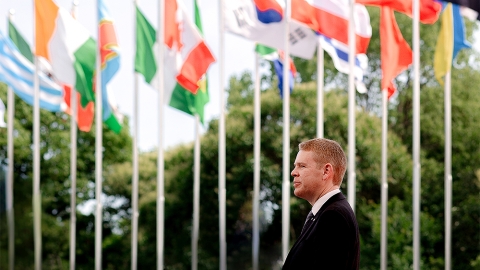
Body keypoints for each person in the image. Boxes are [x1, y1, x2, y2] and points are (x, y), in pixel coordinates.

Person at [282, 138, 360, 270]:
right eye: (295, 166)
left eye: (302, 166)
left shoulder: (333, 216)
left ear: (326, 171)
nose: (293, 172)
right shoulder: (323, 214)